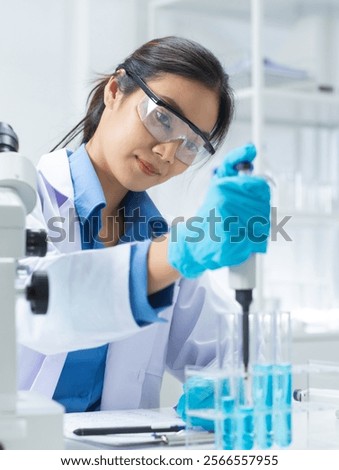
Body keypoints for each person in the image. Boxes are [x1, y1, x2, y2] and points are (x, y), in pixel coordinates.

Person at [17, 36, 270, 413]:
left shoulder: (155, 238)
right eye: (163, 117)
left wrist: (229, 388)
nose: (168, 152)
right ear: (115, 91)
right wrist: (178, 251)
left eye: (190, 143)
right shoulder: (21, 201)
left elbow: (235, 351)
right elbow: (36, 308)